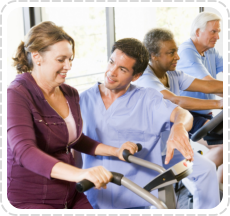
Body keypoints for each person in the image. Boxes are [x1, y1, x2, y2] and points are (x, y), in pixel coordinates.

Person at [7, 21, 138, 209]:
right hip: (32, 198)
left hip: (70, 192)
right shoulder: (17, 94)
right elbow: (24, 151)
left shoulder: (70, 93)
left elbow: (74, 140)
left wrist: (115, 151)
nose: (68, 66)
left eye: (70, 59)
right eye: (61, 60)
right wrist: (80, 174)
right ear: (37, 57)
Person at [79, 38, 218, 209]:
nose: (111, 72)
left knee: (206, 169)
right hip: (94, 194)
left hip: (137, 196)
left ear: (136, 76)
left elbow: (181, 113)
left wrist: (179, 127)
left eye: (122, 69)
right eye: (111, 62)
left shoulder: (147, 98)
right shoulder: (82, 99)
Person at [133, 27, 222, 208]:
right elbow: (176, 100)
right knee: (162, 200)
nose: (178, 57)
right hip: (148, 151)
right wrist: (220, 104)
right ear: (154, 55)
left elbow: (207, 85)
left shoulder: (173, 74)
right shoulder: (145, 79)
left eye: (176, 51)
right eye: (171, 52)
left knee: (206, 169)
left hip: (172, 146)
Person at [176, 12, 223, 184]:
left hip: (207, 114)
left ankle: (213, 194)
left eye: (218, 32)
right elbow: (211, 85)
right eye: (213, 32)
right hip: (187, 115)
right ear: (197, 32)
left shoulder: (210, 52)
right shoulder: (187, 51)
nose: (217, 36)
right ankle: (191, 178)